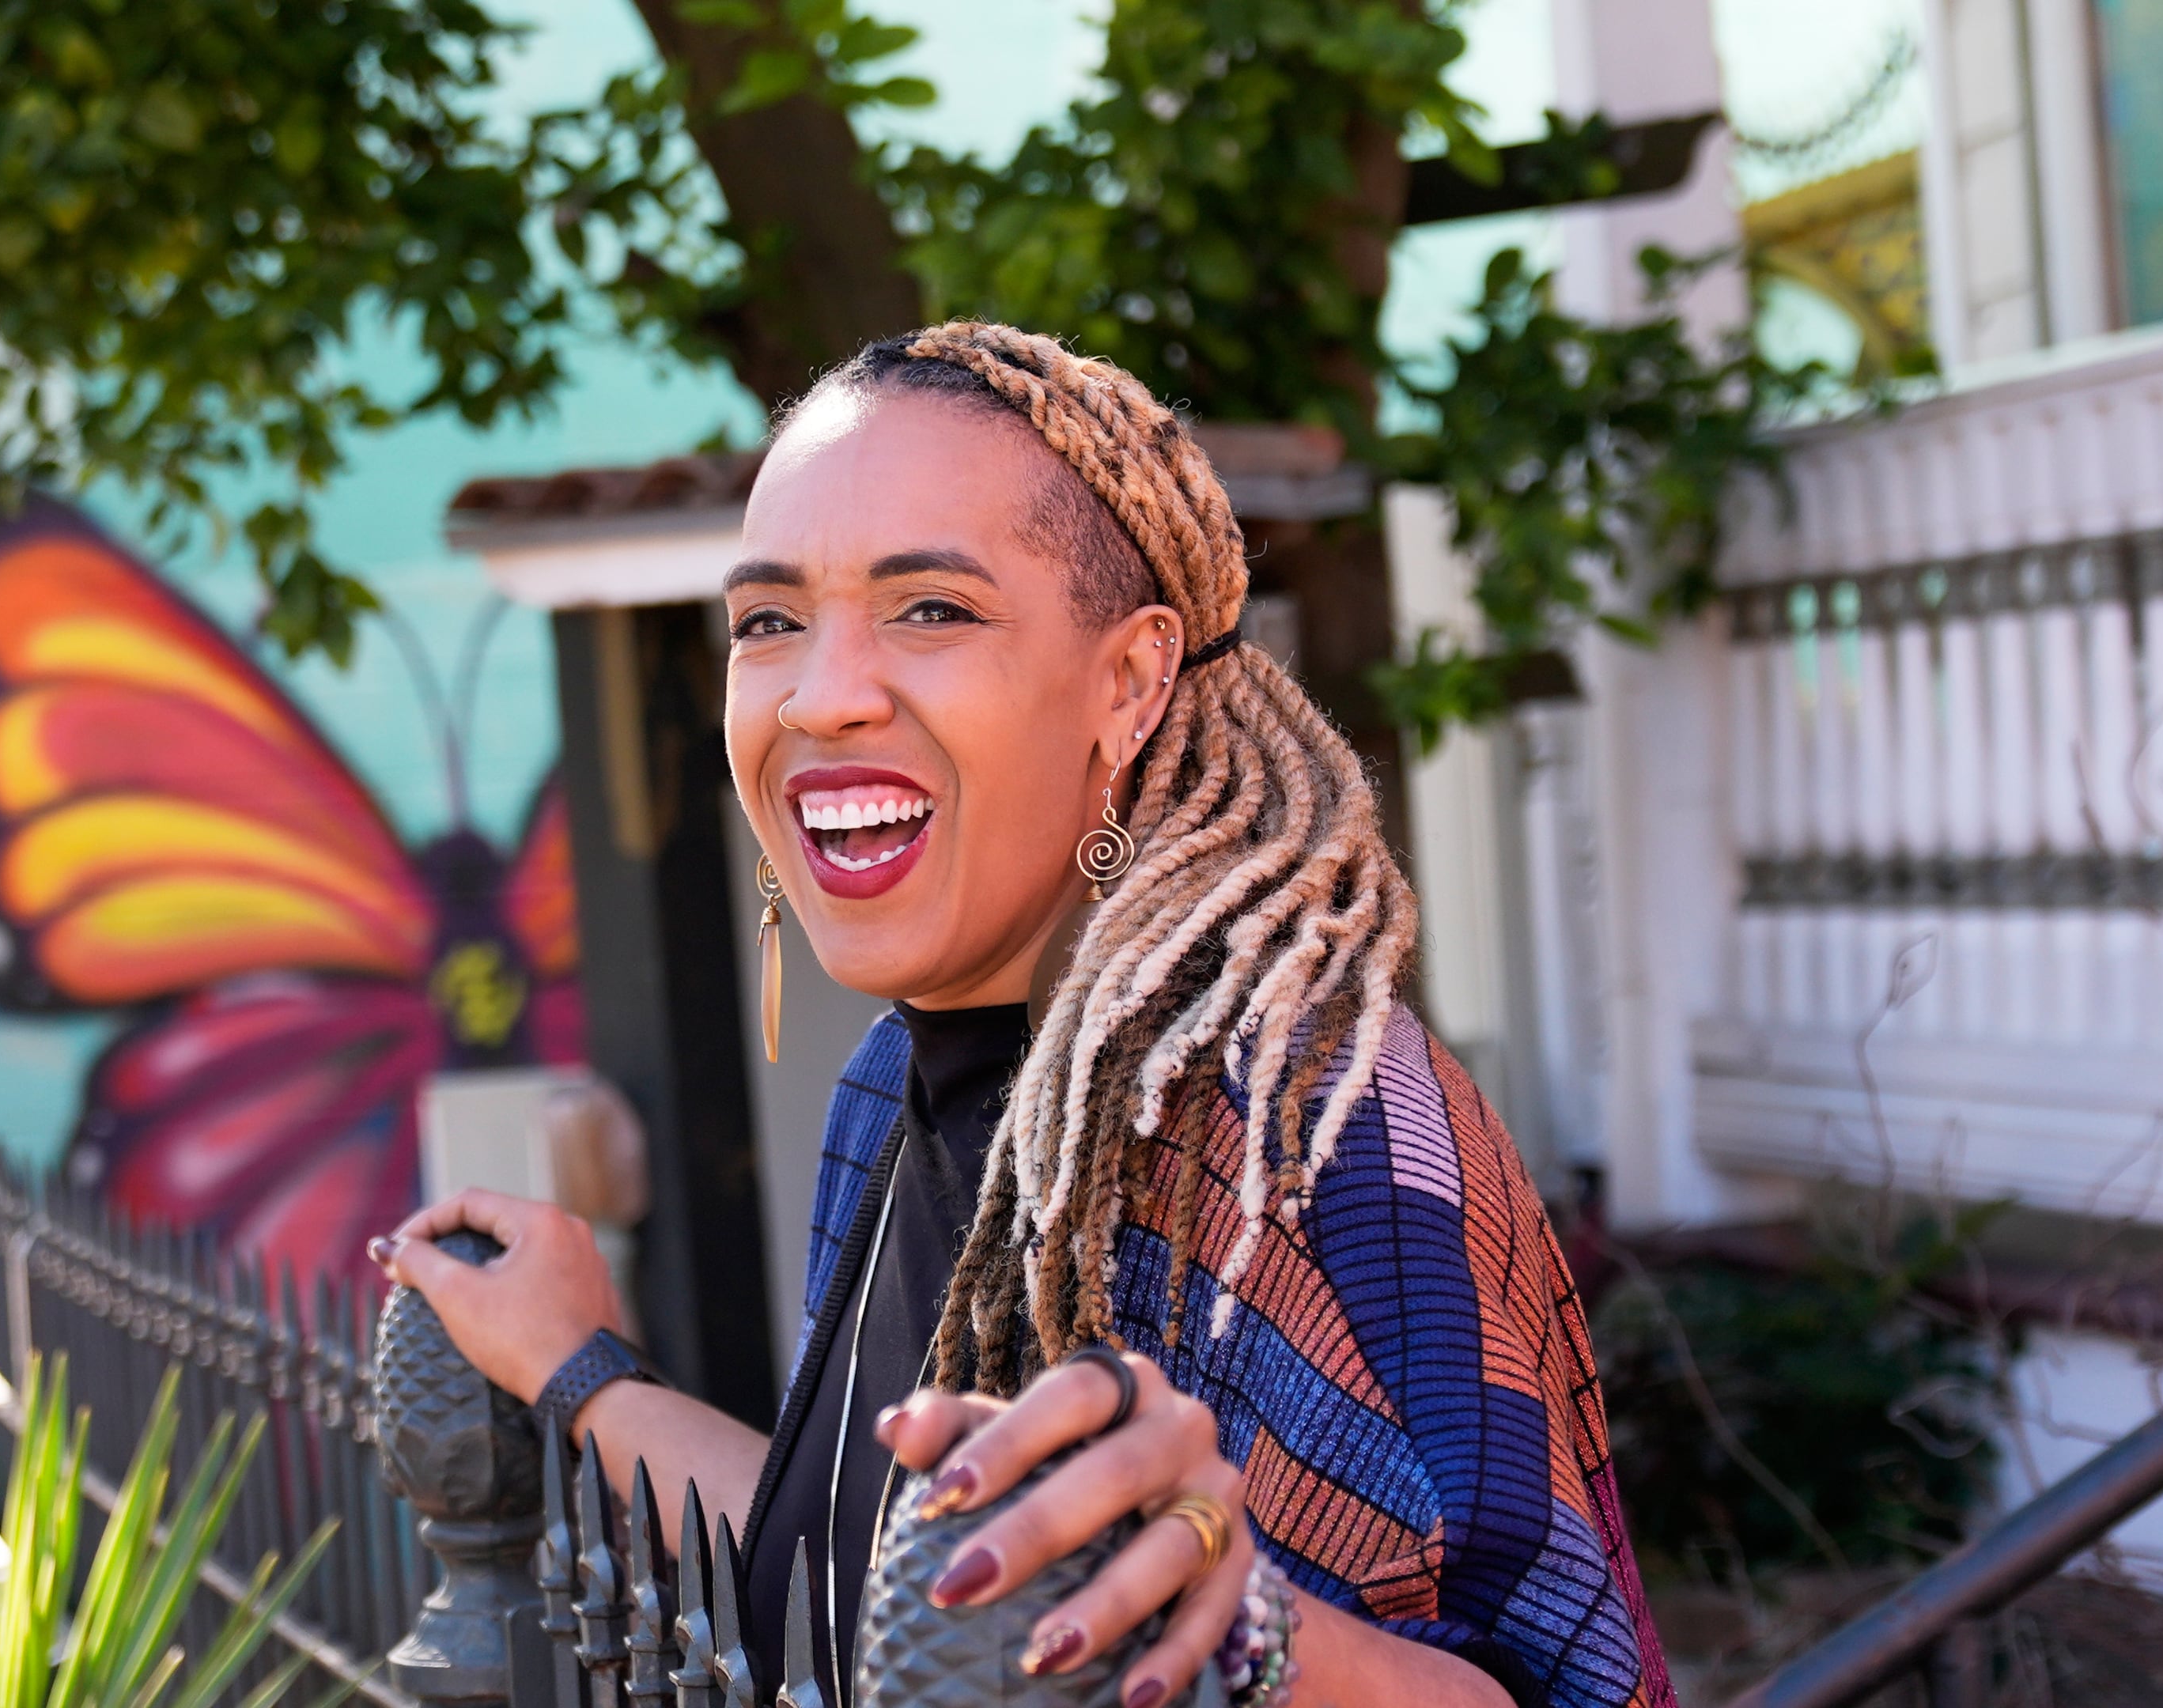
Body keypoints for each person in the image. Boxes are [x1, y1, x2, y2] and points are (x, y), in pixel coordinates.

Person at [372, 323, 1671, 1708]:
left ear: (1128, 679)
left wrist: (1248, 1626)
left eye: (932, 609)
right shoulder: (891, 1089)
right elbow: (871, 1566)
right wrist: (584, 1373)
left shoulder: (1308, 1124)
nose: (824, 694)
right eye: (768, 622)